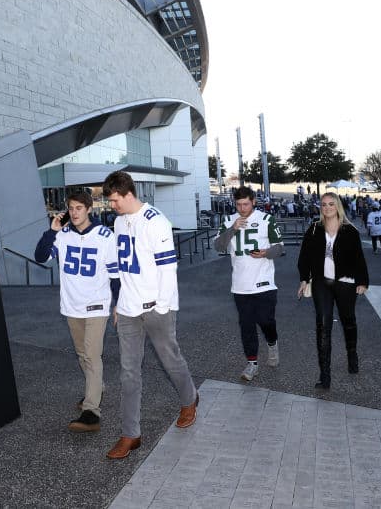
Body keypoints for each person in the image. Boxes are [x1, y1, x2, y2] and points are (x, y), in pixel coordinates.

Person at [102, 171, 197, 460]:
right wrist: (118, 302)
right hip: (129, 309)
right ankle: (131, 434)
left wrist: (162, 308)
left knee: (171, 359)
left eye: (115, 200)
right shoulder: (119, 222)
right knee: (129, 372)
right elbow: (121, 268)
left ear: (128, 194)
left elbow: (168, 269)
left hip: (157, 306)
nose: (112, 205)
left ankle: (189, 398)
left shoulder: (156, 222)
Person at [34, 192, 119, 433]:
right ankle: (97, 386)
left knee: (92, 355)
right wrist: (51, 232)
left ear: (89, 209)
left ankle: (91, 410)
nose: (74, 212)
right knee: (82, 354)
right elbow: (40, 256)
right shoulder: (62, 235)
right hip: (72, 305)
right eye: (71, 208)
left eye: (79, 207)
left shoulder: (105, 236)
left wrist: (118, 304)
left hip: (96, 305)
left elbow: (115, 275)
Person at [297, 193, 369, 387]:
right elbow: (304, 257)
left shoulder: (350, 231)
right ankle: (325, 376)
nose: (327, 207)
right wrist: (304, 279)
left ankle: (352, 354)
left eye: (331, 204)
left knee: (348, 320)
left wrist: (362, 282)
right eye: (323, 204)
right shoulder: (314, 229)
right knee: (323, 325)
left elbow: (358, 259)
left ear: (337, 206)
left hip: (346, 282)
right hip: (321, 282)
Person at [213, 186, 284, 381]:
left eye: (246, 204)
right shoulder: (229, 221)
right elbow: (219, 246)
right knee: (246, 325)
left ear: (253, 201)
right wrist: (233, 229)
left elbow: (279, 248)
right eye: (238, 204)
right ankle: (252, 363)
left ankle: (272, 342)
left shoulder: (266, 219)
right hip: (240, 284)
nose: (242, 208)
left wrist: (266, 253)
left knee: (266, 321)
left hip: (264, 282)